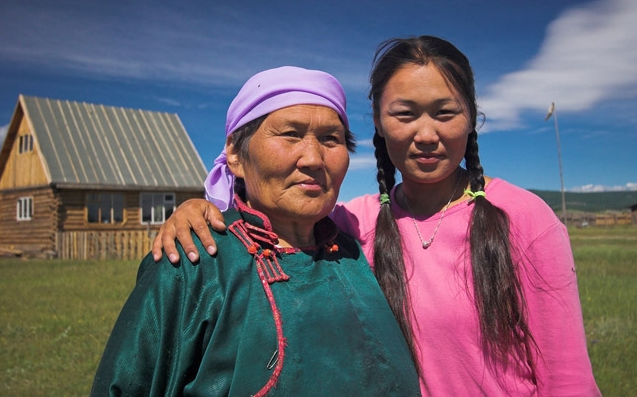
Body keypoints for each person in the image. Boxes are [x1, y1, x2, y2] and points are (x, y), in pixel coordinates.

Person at [152, 37, 600, 396]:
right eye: (404, 115)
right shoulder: (353, 226)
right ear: (379, 126)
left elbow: (569, 380)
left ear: (471, 119)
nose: (426, 135)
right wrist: (201, 208)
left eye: (445, 113)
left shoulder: (522, 218)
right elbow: (279, 214)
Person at [91, 66, 420, 396]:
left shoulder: (355, 253)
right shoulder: (193, 262)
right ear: (235, 153)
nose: (313, 158)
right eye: (290, 134)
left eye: (330, 139)